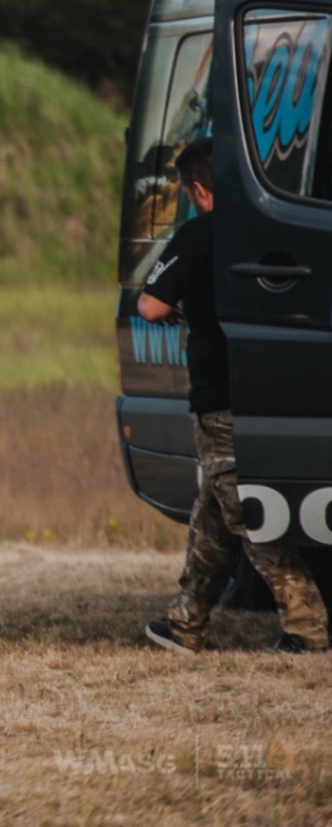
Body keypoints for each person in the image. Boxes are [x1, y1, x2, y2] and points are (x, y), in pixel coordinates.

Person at [138, 137, 328, 653]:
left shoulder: (200, 233)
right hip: (265, 386)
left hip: (218, 397)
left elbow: (151, 306)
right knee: (215, 513)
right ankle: (185, 623)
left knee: (243, 512)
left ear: (199, 189)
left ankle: (307, 622)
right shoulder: (265, 234)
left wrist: (175, 302)